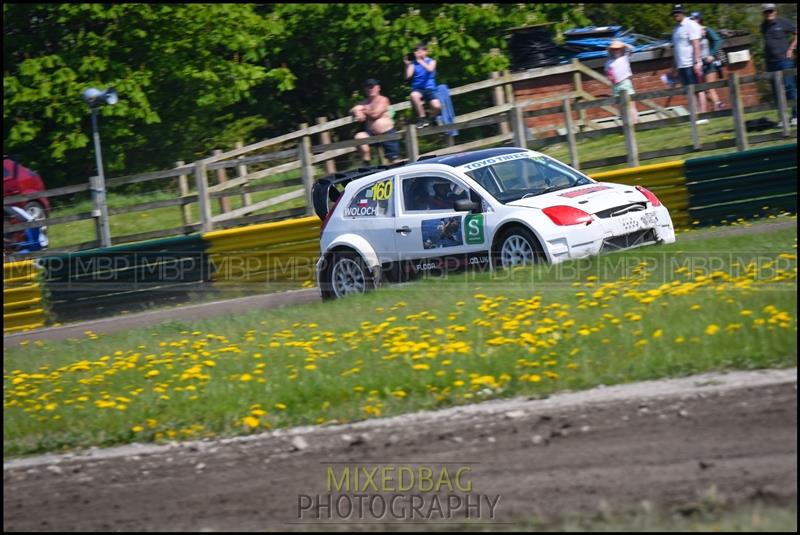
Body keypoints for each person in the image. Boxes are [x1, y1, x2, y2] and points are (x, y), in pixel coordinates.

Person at [760, 3, 797, 126]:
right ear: (763, 13)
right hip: (771, 63)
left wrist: (791, 48)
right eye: (766, 11)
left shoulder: (783, 22)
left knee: (789, 88)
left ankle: (796, 116)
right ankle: (783, 118)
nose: (769, 13)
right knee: (776, 91)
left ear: (775, 11)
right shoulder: (763, 26)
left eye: (771, 11)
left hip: (784, 61)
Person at [670, 4, 708, 124]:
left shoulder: (690, 24)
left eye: (678, 12)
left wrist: (697, 62)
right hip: (682, 65)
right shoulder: (676, 30)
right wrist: (675, 67)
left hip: (691, 64)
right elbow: (676, 49)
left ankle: (703, 115)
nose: (676, 15)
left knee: (698, 89)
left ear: (683, 13)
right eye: (674, 13)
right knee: (689, 91)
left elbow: (695, 44)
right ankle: (695, 116)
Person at [350, 78, 401, 166]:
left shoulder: (383, 100)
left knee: (393, 160)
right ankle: (367, 163)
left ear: (378, 88)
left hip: (387, 133)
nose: (370, 89)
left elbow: (375, 114)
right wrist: (356, 112)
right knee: (359, 137)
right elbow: (352, 110)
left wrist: (363, 110)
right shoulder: (364, 102)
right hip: (371, 133)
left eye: (372, 86)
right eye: (367, 87)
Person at [690, 12, 726, 113]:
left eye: (696, 19)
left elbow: (718, 40)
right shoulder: (690, 32)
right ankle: (719, 105)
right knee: (704, 91)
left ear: (700, 20)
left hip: (708, 63)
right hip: (697, 65)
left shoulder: (706, 29)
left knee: (710, 88)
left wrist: (711, 54)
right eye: (692, 19)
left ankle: (718, 109)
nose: (694, 21)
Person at [404, 43, 441, 129]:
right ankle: (422, 118)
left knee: (437, 106)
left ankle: (431, 118)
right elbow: (408, 76)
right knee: (413, 95)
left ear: (426, 52)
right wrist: (407, 65)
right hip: (418, 89)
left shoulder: (432, 61)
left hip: (430, 89)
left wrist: (421, 61)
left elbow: (430, 69)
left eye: (420, 51)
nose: (418, 53)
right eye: (416, 51)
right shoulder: (413, 63)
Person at [605, 40, 638, 125]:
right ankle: (626, 125)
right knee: (621, 108)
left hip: (625, 83)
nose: (616, 51)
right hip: (616, 86)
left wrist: (623, 44)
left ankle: (635, 123)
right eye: (614, 49)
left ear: (622, 50)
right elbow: (608, 73)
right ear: (611, 51)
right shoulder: (609, 62)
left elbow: (632, 49)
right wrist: (610, 77)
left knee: (631, 105)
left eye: (618, 49)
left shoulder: (625, 57)